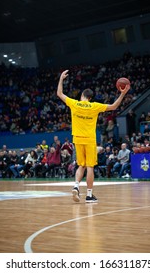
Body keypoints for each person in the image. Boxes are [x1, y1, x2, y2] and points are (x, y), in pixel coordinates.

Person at [57, 70, 130, 203]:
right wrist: (123, 94)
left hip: (77, 139)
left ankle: (76, 186)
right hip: (90, 139)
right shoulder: (94, 106)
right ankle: (89, 195)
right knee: (90, 167)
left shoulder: (74, 103)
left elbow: (59, 93)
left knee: (81, 166)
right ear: (90, 98)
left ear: (82, 96)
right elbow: (114, 106)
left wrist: (61, 79)